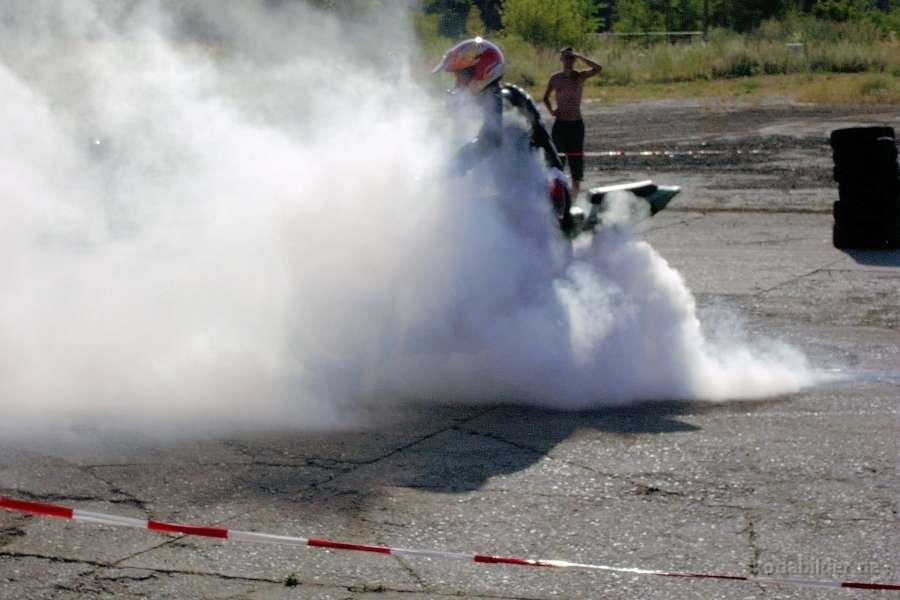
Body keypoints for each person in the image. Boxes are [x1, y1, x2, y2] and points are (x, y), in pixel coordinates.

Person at [432, 37, 506, 172]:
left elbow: (491, 141)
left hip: (510, 179)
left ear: (481, 73)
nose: (456, 82)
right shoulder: (488, 93)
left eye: (459, 76)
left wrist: (452, 169)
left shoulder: (495, 98)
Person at [543, 47, 601, 199]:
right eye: (566, 58)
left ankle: (574, 199)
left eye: (571, 58)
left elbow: (598, 68)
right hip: (560, 124)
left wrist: (580, 56)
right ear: (561, 59)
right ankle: (558, 196)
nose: (569, 61)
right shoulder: (555, 78)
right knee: (557, 161)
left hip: (576, 124)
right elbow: (545, 97)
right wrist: (551, 110)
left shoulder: (579, 76)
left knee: (576, 163)